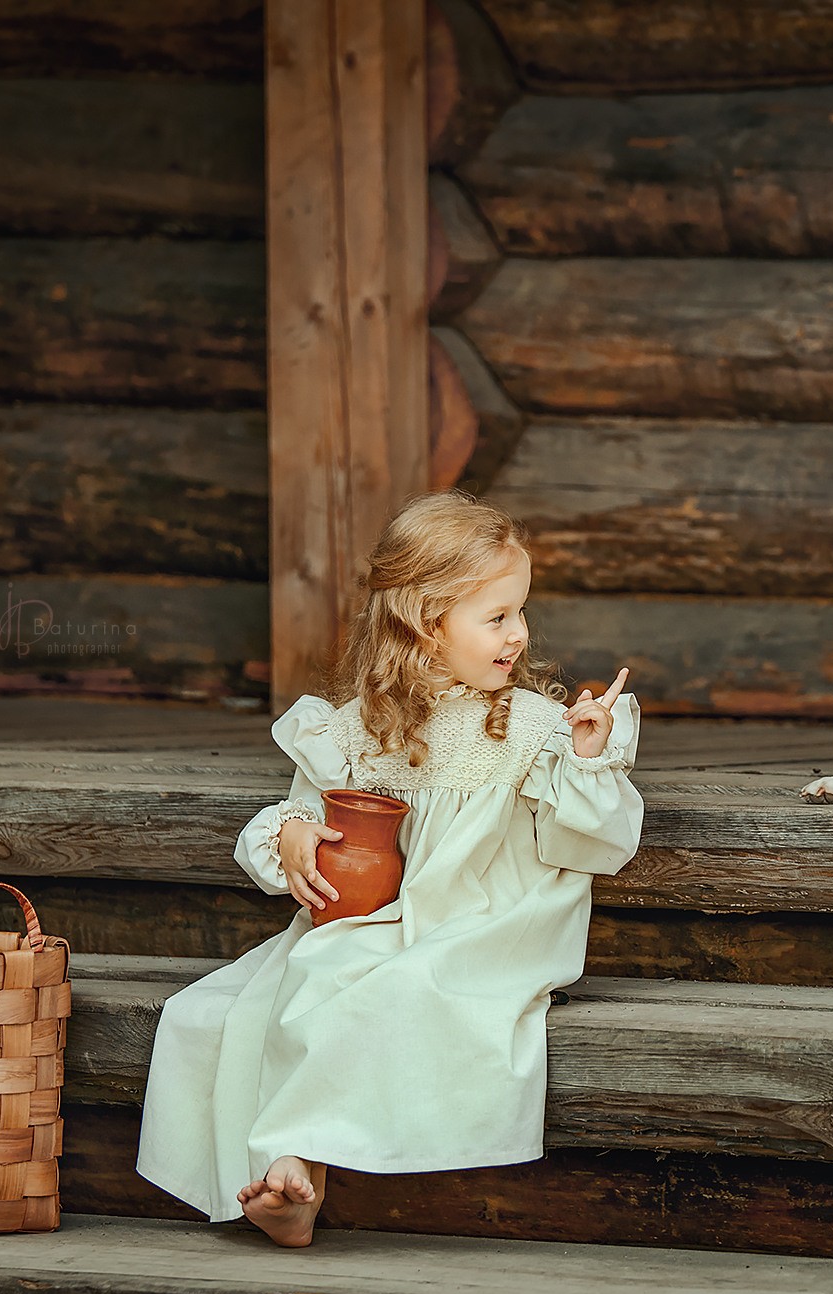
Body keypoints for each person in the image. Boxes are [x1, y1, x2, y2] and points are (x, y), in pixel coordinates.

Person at [136, 492, 643, 1246]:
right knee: (230, 1007)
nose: (520, 634)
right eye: (497, 617)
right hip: (381, 916)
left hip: (489, 922)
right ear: (421, 622)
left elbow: (598, 844)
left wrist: (591, 760)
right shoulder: (358, 728)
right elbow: (296, 815)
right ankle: (293, 1180)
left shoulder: (536, 726)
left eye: (520, 613)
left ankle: (297, 1163)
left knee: (378, 988)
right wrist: (297, 836)